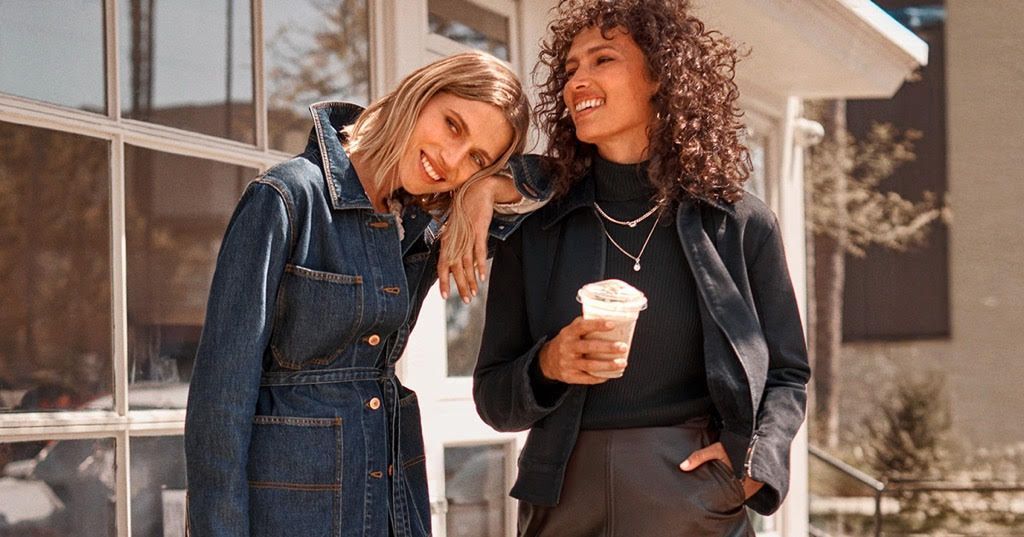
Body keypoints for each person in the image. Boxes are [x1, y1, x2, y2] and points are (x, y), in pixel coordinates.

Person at [472, 1, 811, 535]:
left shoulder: (739, 223)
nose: (576, 81)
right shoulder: (535, 231)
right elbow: (493, 399)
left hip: (693, 499)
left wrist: (751, 463)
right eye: (570, 69)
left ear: (661, 76)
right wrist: (548, 365)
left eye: (602, 59)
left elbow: (787, 374)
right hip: (562, 500)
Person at [184, 51, 547, 537]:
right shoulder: (289, 198)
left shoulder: (421, 226)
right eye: (452, 125)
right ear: (420, 94)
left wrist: (488, 190)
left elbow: (571, 177)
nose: (451, 160)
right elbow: (220, 400)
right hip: (291, 515)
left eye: (476, 159)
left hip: (392, 503)